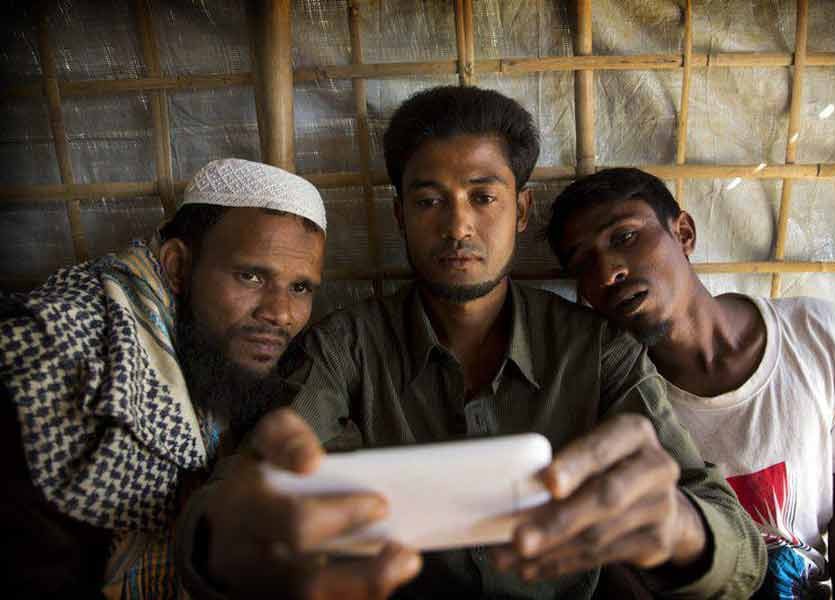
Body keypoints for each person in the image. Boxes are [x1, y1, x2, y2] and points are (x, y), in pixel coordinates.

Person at [176, 87, 765, 599]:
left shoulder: (599, 352)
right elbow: (244, 488)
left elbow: (740, 552)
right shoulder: (346, 348)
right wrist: (222, 542)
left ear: (521, 210)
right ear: (400, 215)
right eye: (430, 201)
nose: (458, 227)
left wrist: (684, 530)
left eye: (483, 197)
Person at [545, 167, 835, 598]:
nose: (607, 273)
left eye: (624, 237)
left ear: (684, 233)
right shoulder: (609, 397)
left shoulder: (822, 336)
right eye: (582, 261)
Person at [1, 158, 327, 599]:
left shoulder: (219, 355)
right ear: (176, 267)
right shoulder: (63, 348)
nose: (281, 313)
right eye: (251, 276)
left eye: (301, 287)